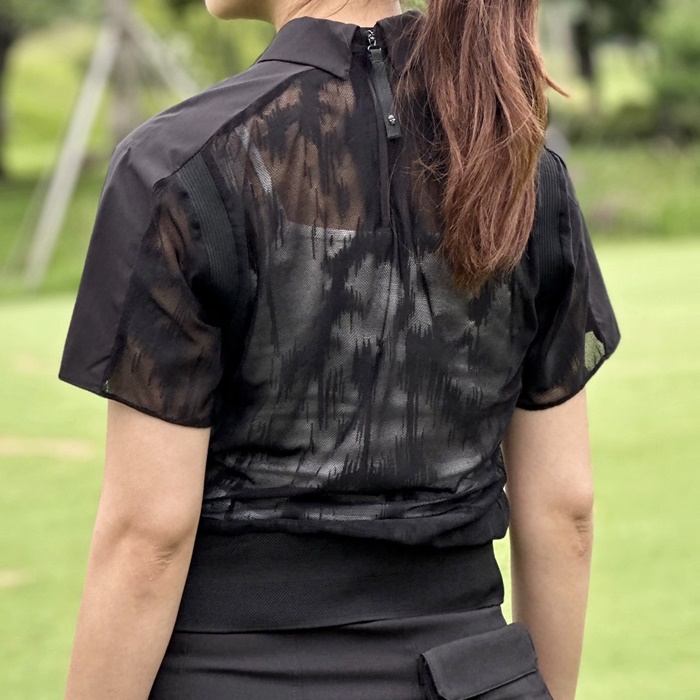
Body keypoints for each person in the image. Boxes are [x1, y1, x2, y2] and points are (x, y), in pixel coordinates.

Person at [58, 1, 621, 698]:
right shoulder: (517, 165)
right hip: (471, 676)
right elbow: (565, 510)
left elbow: (148, 538)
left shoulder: (181, 164)